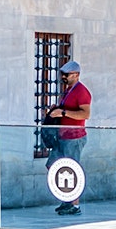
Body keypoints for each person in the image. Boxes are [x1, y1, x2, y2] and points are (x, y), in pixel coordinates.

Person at [44, 60, 91, 215]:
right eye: (62, 74)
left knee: (72, 169)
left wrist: (63, 113)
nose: (63, 77)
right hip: (62, 136)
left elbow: (85, 114)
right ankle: (66, 199)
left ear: (76, 75)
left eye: (66, 75)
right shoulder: (68, 90)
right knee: (53, 165)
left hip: (74, 137)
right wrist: (55, 110)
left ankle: (74, 205)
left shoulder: (82, 91)